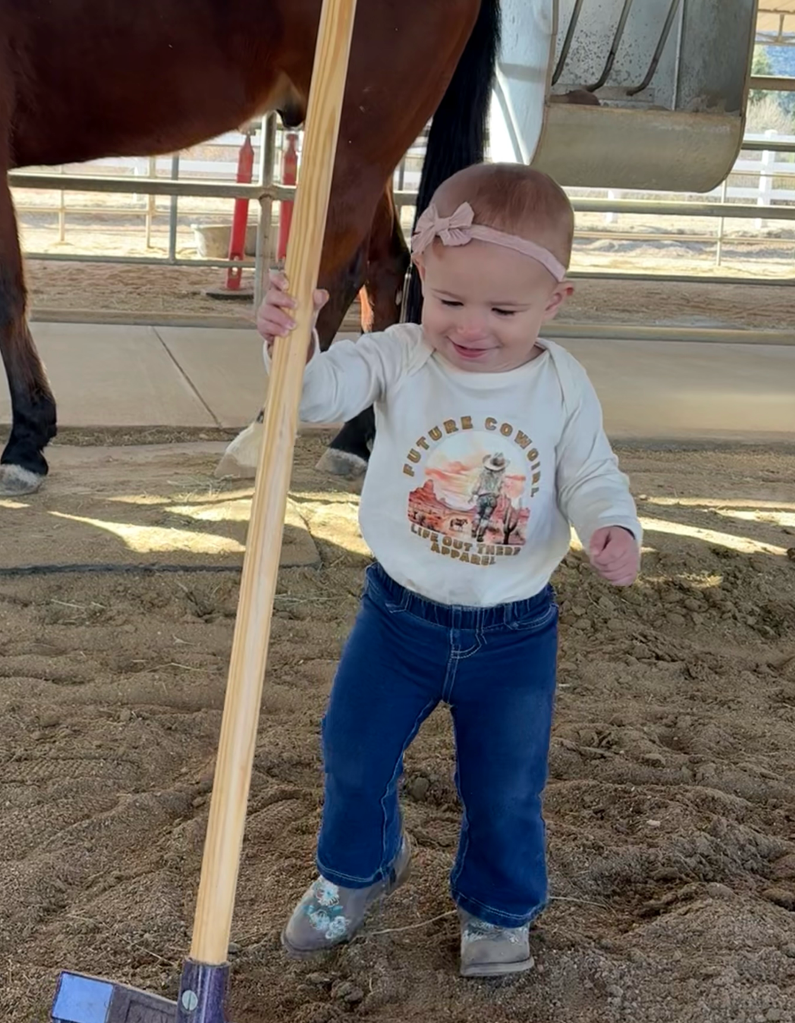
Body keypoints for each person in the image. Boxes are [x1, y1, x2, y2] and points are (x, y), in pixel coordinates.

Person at [256, 162, 642, 977]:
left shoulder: (563, 386)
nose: (471, 326)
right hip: (396, 619)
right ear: (422, 276)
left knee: (505, 785)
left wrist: (611, 525)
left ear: (554, 302)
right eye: (449, 300)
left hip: (513, 634)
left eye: (503, 309)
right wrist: (291, 346)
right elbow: (319, 399)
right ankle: (356, 872)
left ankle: (498, 910)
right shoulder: (401, 354)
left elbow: (590, 475)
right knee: (353, 752)